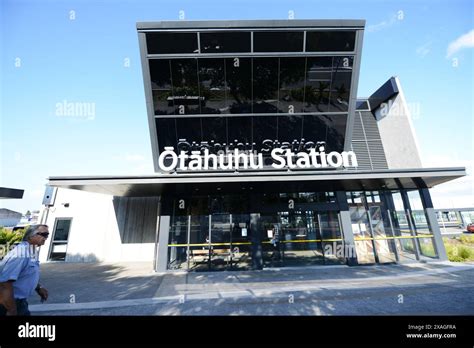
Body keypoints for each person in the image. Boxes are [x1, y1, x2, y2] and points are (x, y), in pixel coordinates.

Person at [0, 224, 49, 315]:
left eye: (47, 235)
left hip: (20, 302)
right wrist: (12, 310)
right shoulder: (21, 254)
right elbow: (5, 282)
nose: (46, 238)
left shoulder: (32, 251)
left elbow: (26, 274)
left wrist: (38, 288)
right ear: (31, 236)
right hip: (7, 303)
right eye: (44, 234)